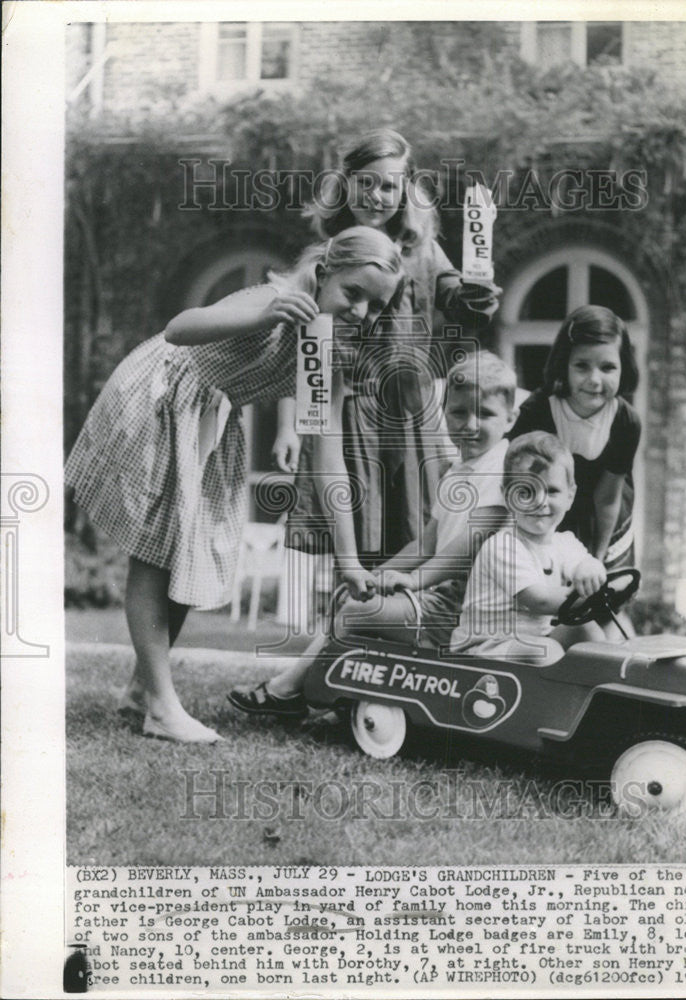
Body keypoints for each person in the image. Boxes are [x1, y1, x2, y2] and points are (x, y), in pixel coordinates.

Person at [65, 226, 403, 742]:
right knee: (158, 553)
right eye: (352, 294)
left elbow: (329, 458)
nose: (361, 312)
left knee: (190, 553)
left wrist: (350, 561)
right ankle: (160, 704)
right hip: (167, 396)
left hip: (213, 419)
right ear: (325, 271)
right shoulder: (274, 298)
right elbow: (179, 328)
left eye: (375, 307)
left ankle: (142, 693)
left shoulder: (328, 355)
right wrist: (264, 314)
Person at [227, 351, 518, 717]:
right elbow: (428, 540)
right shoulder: (458, 471)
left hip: (466, 613)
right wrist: (377, 575)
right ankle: (332, 693)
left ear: (511, 418)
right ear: (444, 414)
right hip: (441, 600)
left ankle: (292, 691)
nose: (470, 424)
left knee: (355, 614)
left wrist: (413, 581)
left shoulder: (504, 471)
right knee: (350, 599)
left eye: (486, 414)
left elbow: (471, 544)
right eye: (459, 412)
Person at [273, 127, 500, 562]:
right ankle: (354, 622)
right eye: (366, 183)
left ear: (405, 192)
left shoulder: (423, 252)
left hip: (411, 415)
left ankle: (402, 626)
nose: (377, 196)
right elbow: (303, 350)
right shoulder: (331, 257)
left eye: (389, 186)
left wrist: (477, 284)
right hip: (351, 416)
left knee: (416, 536)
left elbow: (461, 303)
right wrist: (288, 424)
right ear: (346, 185)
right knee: (357, 540)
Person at [450, 432, 609, 664]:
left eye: (552, 490)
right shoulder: (504, 546)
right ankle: (557, 699)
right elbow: (539, 601)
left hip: (532, 639)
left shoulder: (564, 542)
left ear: (570, 496)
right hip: (484, 646)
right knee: (547, 651)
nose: (540, 501)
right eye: (526, 492)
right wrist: (592, 598)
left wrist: (592, 570)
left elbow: (585, 564)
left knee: (589, 634)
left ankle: (598, 697)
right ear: (506, 495)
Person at [509, 305, 641, 569]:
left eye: (607, 368)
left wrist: (597, 560)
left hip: (601, 514)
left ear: (623, 368)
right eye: (582, 366)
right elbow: (519, 484)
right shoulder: (538, 411)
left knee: (603, 587)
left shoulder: (626, 421)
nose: (594, 380)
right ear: (564, 365)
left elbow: (607, 499)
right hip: (545, 505)